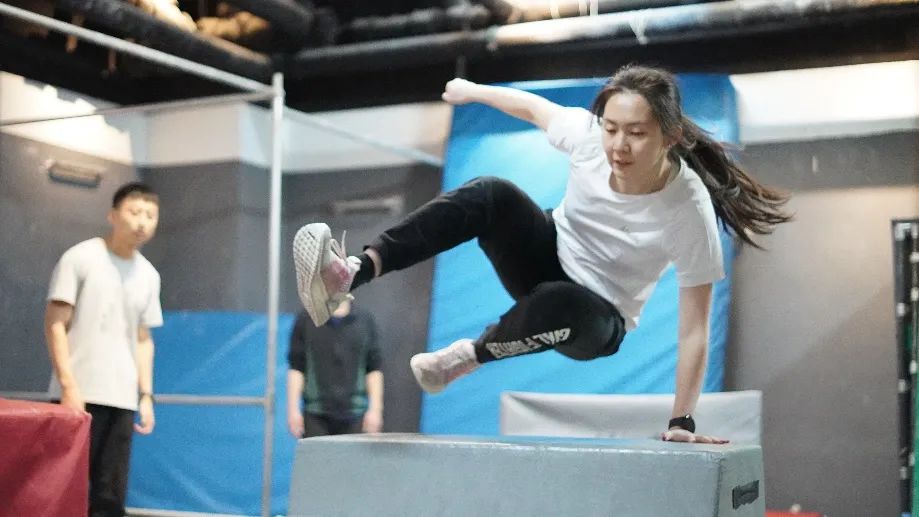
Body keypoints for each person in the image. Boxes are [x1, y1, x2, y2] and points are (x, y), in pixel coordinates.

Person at [291, 64, 791, 445]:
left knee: (562, 302)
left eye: (637, 133)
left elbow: (695, 329)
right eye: (611, 128)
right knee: (491, 193)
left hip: (597, 318)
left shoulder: (688, 209)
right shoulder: (589, 139)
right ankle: (350, 274)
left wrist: (682, 420)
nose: (618, 145)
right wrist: (473, 91)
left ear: (670, 136)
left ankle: (468, 357)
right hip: (544, 255)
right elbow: (531, 107)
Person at [44, 182, 163, 517]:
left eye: (150, 215)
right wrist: (68, 386)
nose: (142, 221)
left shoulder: (149, 275)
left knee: (109, 498)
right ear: (113, 215)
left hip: (122, 399)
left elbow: (143, 338)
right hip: (77, 396)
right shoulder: (81, 257)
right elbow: (54, 323)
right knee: (63, 490)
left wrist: (146, 395)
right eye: (134, 212)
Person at [286, 299, 383, 437]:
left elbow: (373, 369)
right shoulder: (306, 319)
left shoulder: (365, 321)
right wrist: (293, 410)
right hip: (316, 414)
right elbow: (296, 367)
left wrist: (375, 410)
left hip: (354, 415)